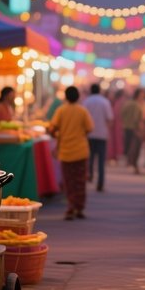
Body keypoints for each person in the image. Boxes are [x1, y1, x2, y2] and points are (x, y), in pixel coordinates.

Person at [49, 86, 93, 220]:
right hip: (81, 151)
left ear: (66, 97)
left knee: (68, 182)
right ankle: (79, 208)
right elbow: (89, 128)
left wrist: (58, 135)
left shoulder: (61, 110)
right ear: (78, 96)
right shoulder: (82, 111)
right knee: (80, 181)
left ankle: (70, 207)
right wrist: (80, 135)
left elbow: (52, 128)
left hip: (66, 152)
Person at [83, 84, 114, 192]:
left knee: (90, 157)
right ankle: (100, 183)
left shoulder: (86, 102)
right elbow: (110, 119)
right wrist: (107, 131)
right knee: (101, 161)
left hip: (89, 134)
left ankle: (90, 175)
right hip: (102, 134)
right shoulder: (105, 102)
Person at [121, 88, 145, 173]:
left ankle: (130, 162)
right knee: (136, 148)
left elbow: (122, 114)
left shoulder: (127, 103)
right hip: (135, 129)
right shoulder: (137, 105)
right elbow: (137, 119)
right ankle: (134, 165)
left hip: (127, 127)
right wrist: (140, 129)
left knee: (130, 146)